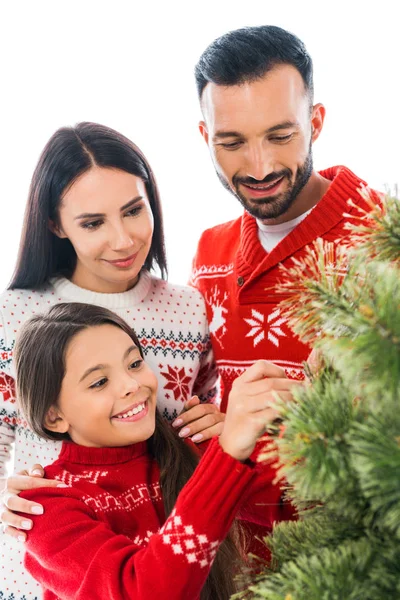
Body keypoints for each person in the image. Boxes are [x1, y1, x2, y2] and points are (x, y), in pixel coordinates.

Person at [0, 121, 224, 599]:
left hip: (165, 565)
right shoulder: (16, 313)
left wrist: (217, 423)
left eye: (133, 211)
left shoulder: (186, 309)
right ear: (55, 224)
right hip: (50, 570)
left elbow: (197, 422)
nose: (123, 240)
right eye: (92, 223)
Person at [14, 302, 293, 600]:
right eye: (99, 382)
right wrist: (227, 455)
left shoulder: (194, 446)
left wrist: (295, 424)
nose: (132, 385)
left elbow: (306, 507)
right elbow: (144, 592)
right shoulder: (46, 506)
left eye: (134, 364)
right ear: (54, 416)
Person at [190, 24, 381, 412]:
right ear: (205, 137)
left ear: (314, 123)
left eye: (280, 137)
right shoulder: (209, 253)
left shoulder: (384, 240)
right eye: (232, 143)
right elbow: (188, 407)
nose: (259, 167)